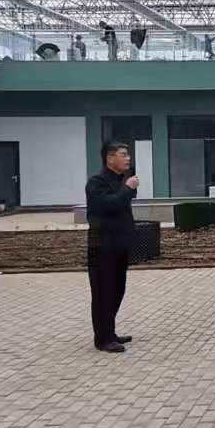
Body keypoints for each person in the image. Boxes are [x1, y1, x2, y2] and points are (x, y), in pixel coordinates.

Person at [86, 141, 139, 352]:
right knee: (103, 292)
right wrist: (127, 188)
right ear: (110, 159)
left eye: (128, 155)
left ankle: (110, 332)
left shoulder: (120, 180)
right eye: (123, 154)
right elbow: (110, 205)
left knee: (117, 290)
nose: (128, 158)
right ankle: (102, 339)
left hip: (119, 245)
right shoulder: (96, 182)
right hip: (102, 246)